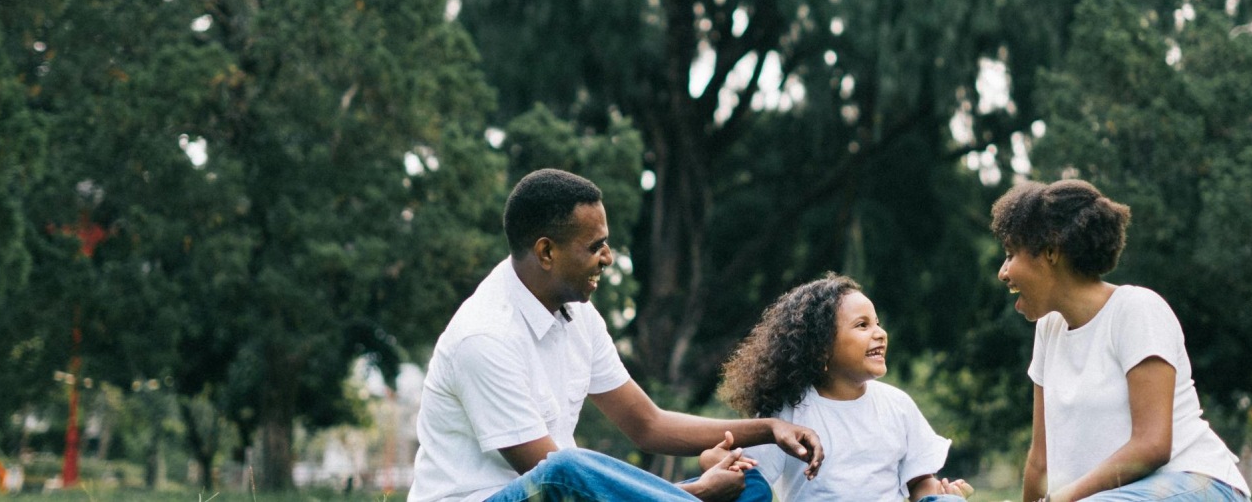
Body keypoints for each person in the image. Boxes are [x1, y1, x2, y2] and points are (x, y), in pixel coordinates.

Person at [409, 169, 824, 502]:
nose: (608, 258)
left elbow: (648, 425)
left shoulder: (579, 316)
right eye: (596, 246)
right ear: (546, 252)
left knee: (746, 485)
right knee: (561, 466)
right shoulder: (484, 337)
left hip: (571, 493)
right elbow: (552, 482)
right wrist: (694, 491)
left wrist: (769, 429)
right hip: (501, 497)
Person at [990, 179, 1250, 502]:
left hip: (1199, 484)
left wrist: (1061, 499)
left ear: (1051, 252)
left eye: (1011, 254)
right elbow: (1039, 462)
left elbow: (1152, 444)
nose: (1003, 272)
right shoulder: (1048, 331)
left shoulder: (1136, 309)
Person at [714, 274, 973, 501]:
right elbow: (750, 481)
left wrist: (938, 498)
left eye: (877, 323)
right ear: (820, 348)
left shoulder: (898, 405)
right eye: (863, 325)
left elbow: (919, 480)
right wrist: (716, 463)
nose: (880, 333)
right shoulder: (789, 412)